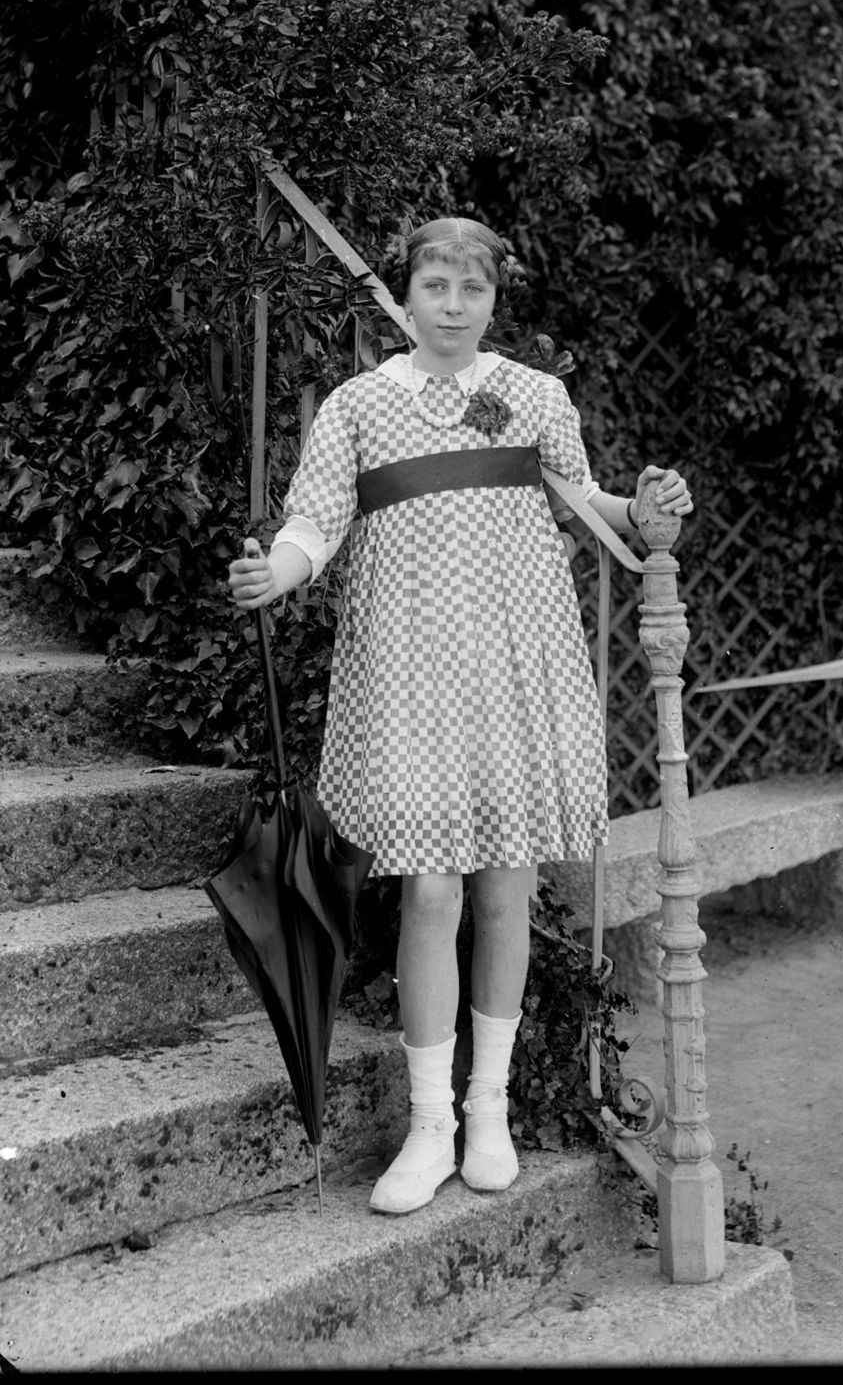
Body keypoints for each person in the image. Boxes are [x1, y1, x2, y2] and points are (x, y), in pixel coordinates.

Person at [228, 217, 693, 1216]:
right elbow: (316, 518)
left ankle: (490, 1110)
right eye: (432, 284)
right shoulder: (358, 406)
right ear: (405, 294)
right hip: (409, 672)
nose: (449, 302)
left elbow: (592, 505)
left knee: (503, 896)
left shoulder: (533, 395)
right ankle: (429, 1121)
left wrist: (648, 511)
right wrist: (282, 568)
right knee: (431, 896)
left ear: (492, 300)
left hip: (518, 666)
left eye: (468, 289)